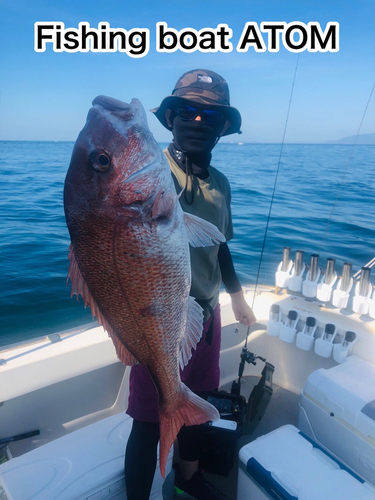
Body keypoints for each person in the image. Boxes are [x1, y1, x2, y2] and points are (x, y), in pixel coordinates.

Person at [124, 69, 256, 500]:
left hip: (207, 315)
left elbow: (220, 246)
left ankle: (188, 475)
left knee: (197, 406)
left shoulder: (221, 185)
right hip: (157, 315)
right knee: (148, 421)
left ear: (222, 128)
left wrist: (236, 297)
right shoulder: (149, 172)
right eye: (187, 111)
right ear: (171, 119)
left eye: (210, 115)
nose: (197, 121)